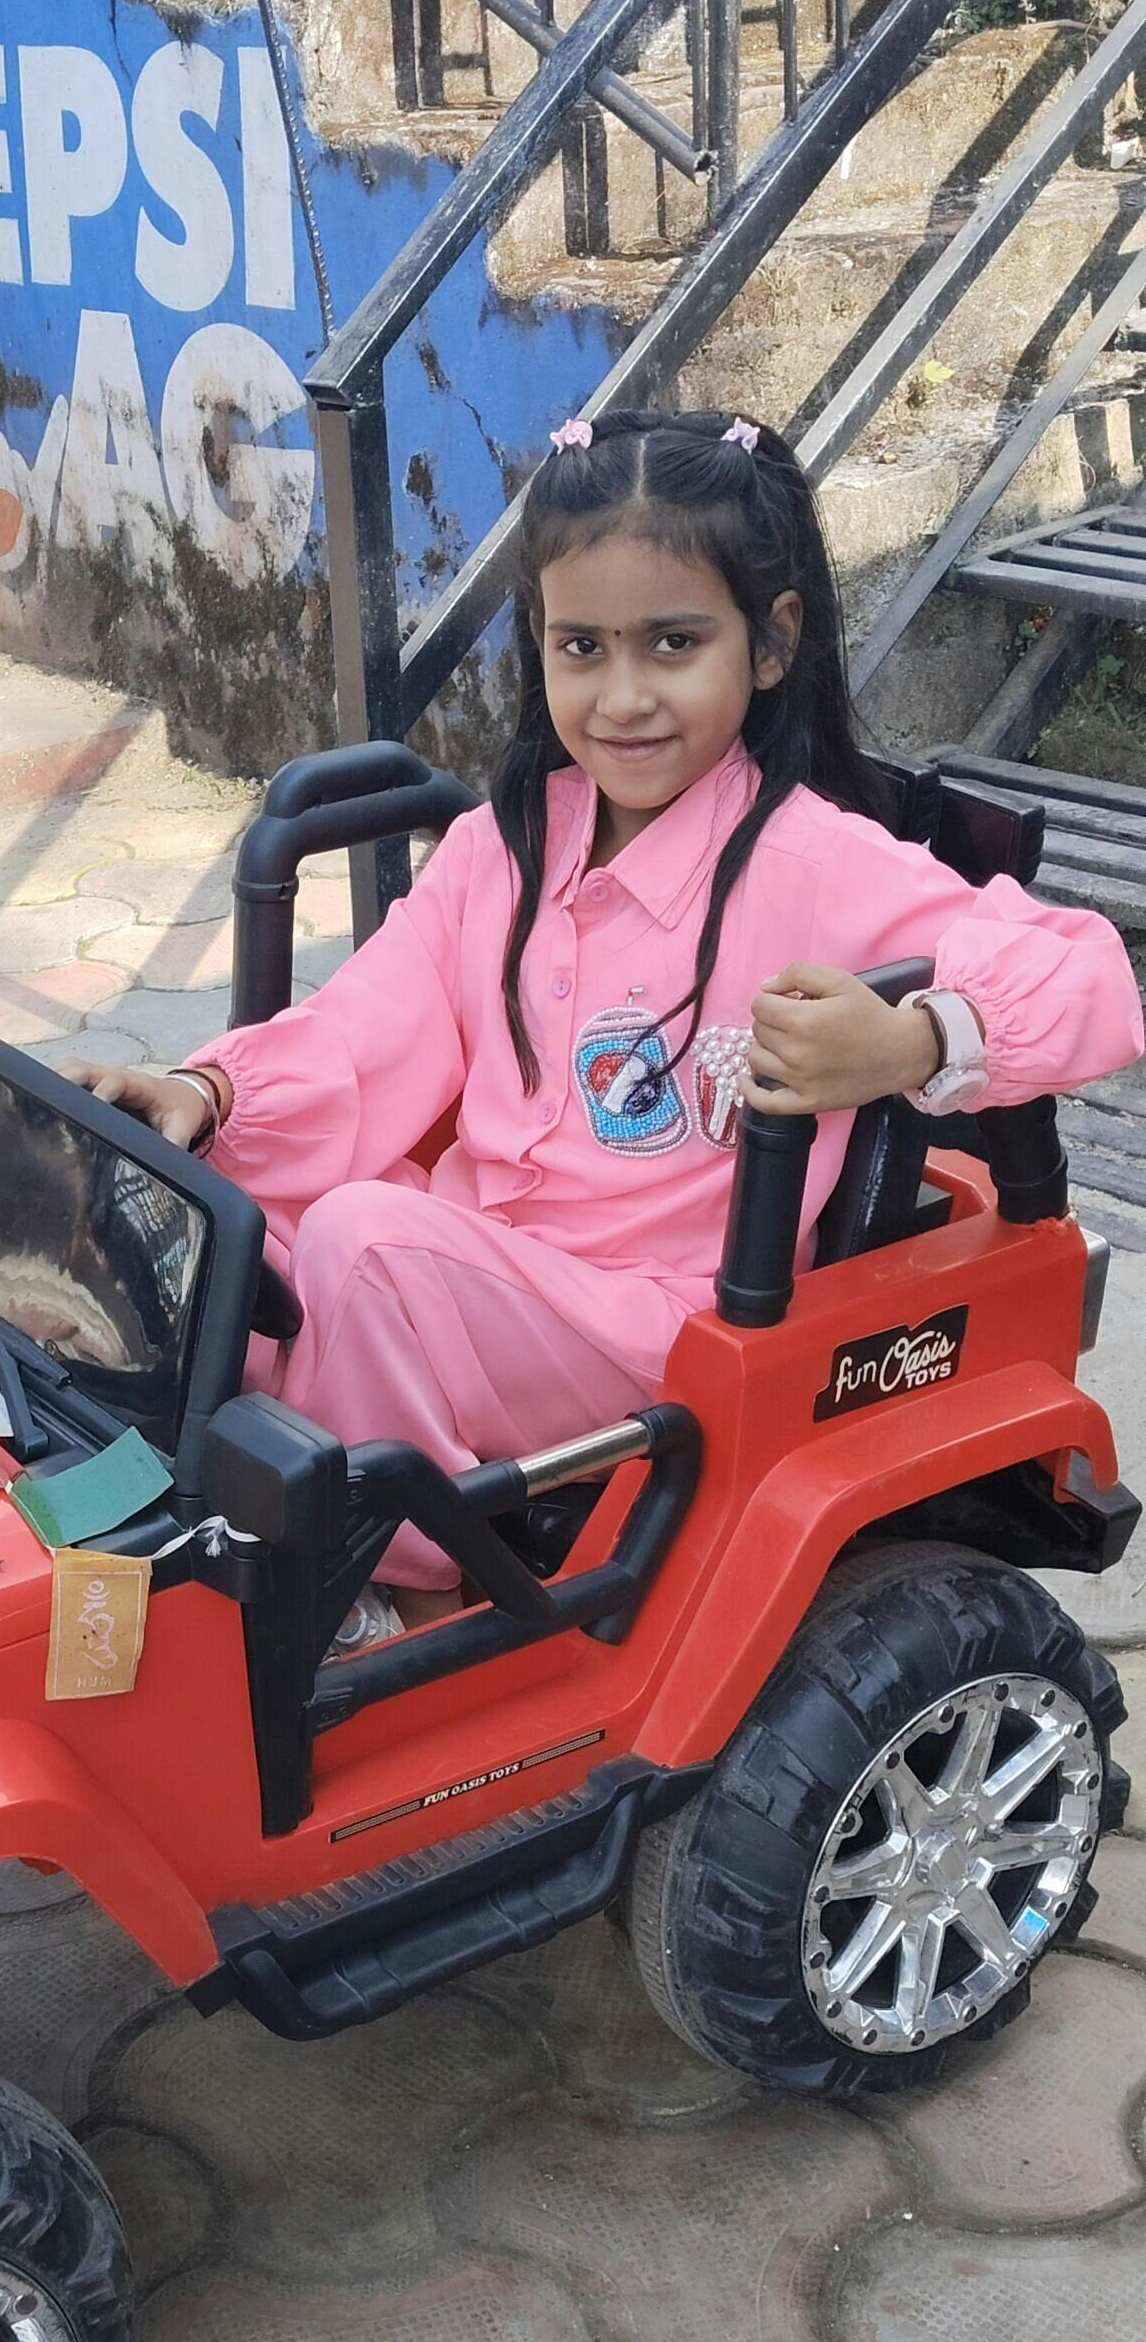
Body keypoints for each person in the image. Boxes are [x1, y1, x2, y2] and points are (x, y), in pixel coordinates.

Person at [61, 408, 1145, 1633]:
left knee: (360, 1242)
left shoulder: (820, 867)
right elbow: (369, 1028)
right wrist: (208, 1095)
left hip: (657, 1328)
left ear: (771, 642)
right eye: (582, 647)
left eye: (673, 644)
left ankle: (403, 1589)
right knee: (209, 1222)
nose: (624, 699)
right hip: (475, 1268)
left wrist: (913, 1039)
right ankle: (183, 1521)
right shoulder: (506, 843)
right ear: (541, 641)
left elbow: (1092, 978)